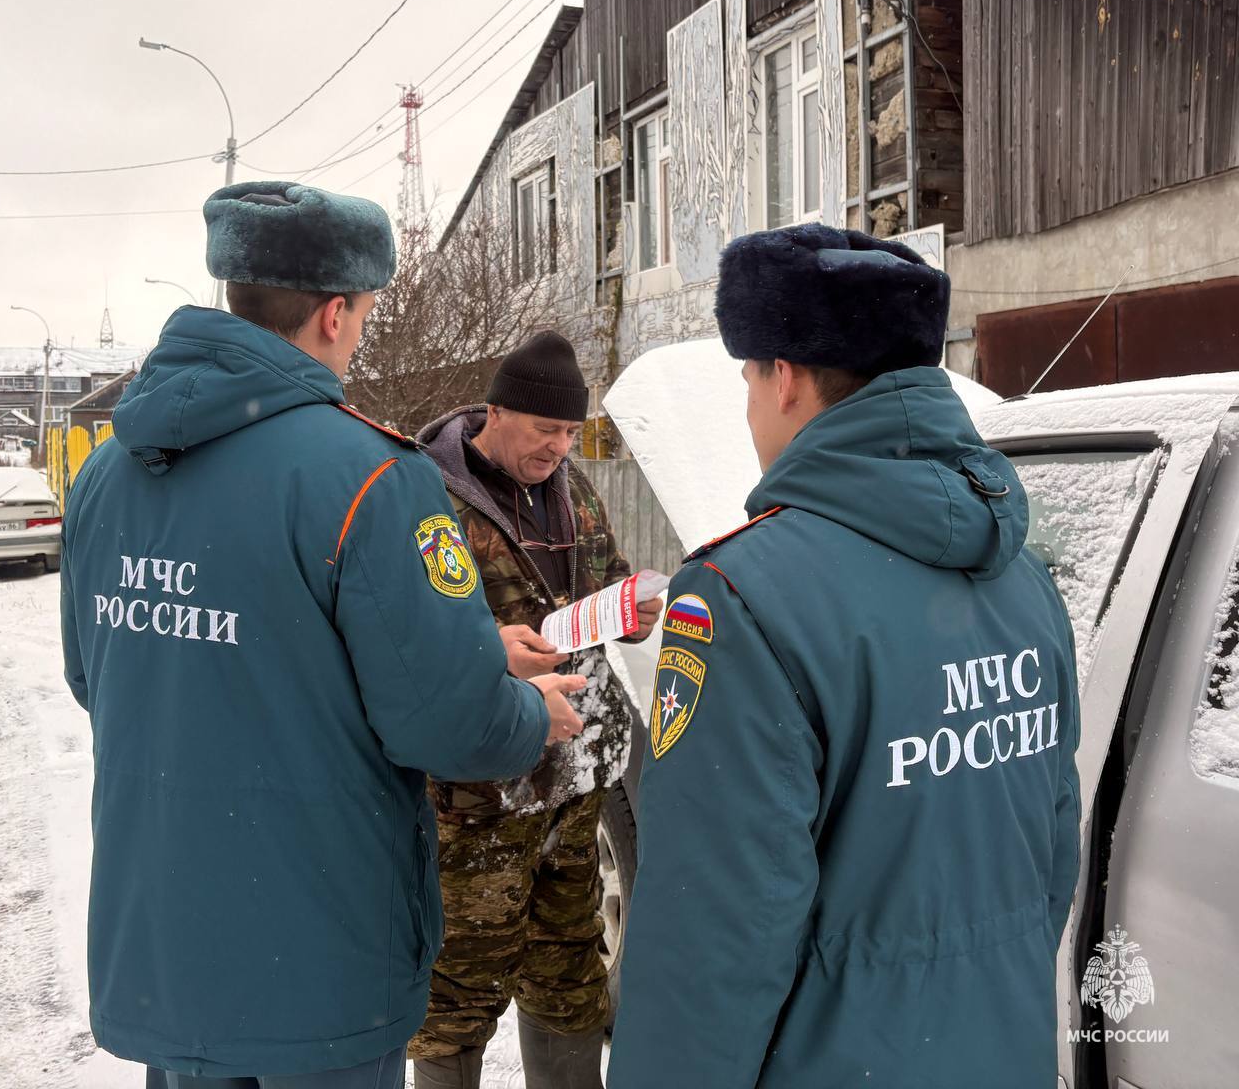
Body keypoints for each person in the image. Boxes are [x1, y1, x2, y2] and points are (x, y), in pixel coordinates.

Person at [60, 181, 588, 1089]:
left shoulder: (109, 471)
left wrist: (470, 646)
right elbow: (450, 723)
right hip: (316, 952)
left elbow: (99, 670)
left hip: (165, 946)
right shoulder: (368, 476)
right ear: (337, 313)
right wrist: (525, 711)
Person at [608, 224, 1081, 1089]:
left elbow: (711, 938)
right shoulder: (1023, 577)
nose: (749, 407)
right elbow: (1049, 860)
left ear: (783, 378)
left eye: (747, 377)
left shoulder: (740, 599)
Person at [408, 331, 662, 1089]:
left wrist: (629, 609)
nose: (558, 447)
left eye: (569, 433)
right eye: (545, 430)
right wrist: (490, 650)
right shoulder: (428, 495)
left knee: (569, 973)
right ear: (496, 413)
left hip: (573, 779)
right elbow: (404, 633)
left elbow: (606, 574)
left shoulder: (573, 487)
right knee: (457, 992)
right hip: (478, 794)